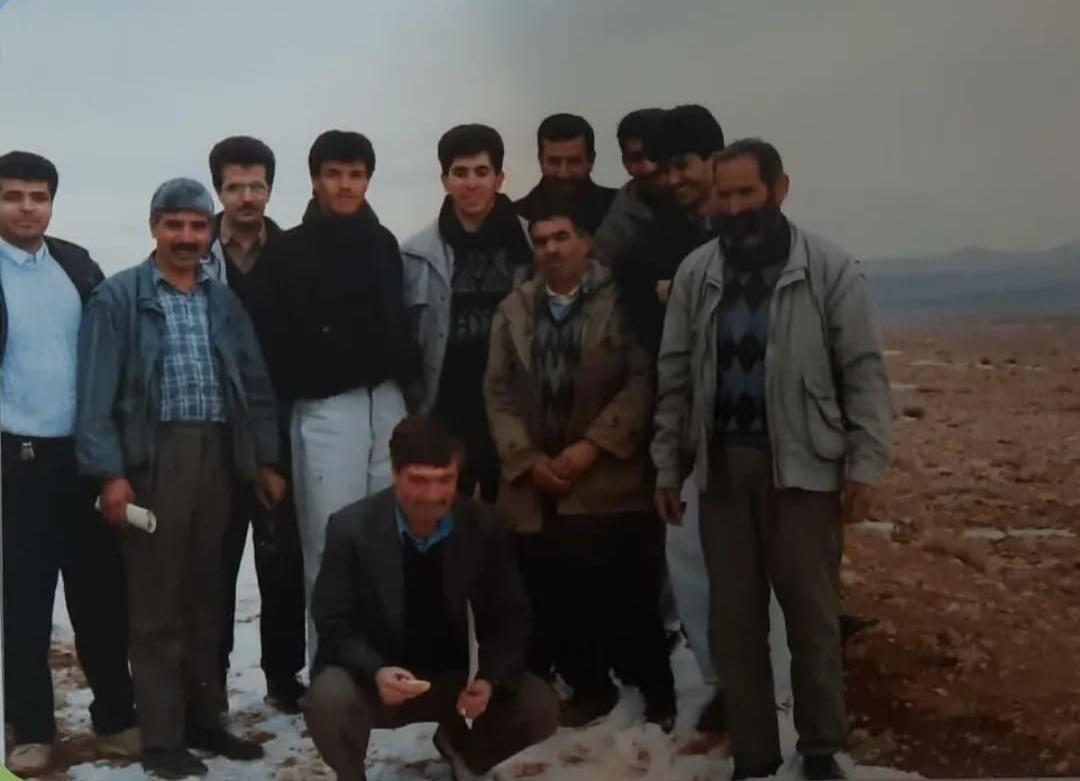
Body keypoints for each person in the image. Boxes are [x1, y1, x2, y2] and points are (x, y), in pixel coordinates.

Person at [651, 139, 893, 780]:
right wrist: (668, 466)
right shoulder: (697, 273)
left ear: (779, 189)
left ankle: (820, 749)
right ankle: (753, 755)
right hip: (723, 472)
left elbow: (863, 372)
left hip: (805, 470)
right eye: (724, 195)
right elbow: (674, 378)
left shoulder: (828, 269)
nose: (734, 208)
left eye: (747, 193)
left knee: (811, 618)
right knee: (734, 623)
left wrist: (866, 464)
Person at [76, 177, 286, 778]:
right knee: (155, 603)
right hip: (153, 461)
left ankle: (205, 719)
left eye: (197, 226)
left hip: (218, 457)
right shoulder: (119, 298)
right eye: (175, 225)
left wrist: (266, 461)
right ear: (154, 228)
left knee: (206, 596)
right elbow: (94, 396)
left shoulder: (222, 301)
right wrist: (110, 474)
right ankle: (163, 736)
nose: (187, 237)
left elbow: (255, 385)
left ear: (209, 231)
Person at [484, 204, 677, 732]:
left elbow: (642, 380)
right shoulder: (514, 309)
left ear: (586, 242)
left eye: (562, 237)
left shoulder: (621, 303)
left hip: (607, 473)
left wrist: (591, 447)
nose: (551, 249)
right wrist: (527, 459)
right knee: (549, 591)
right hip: (536, 477)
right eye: (541, 240)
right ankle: (588, 686)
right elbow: (496, 391)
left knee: (629, 589)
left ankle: (657, 694)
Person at [303, 414, 559, 781]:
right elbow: (331, 620)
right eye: (419, 480)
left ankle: (466, 754)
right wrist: (376, 671)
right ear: (394, 474)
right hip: (373, 681)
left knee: (539, 706)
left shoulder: (482, 524)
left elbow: (510, 614)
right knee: (328, 700)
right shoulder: (350, 528)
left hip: (451, 682)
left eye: (445, 480)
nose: (432, 495)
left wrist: (490, 679)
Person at [251, 130, 421, 669]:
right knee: (330, 544)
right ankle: (333, 671)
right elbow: (272, 348)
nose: (345, 185)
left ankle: (385, 667)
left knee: (389, 539)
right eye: (334, 174)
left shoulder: (384, 244)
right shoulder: (288, 252)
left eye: (356, 174)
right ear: (315, 181)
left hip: (386, 403)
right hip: (326, 410)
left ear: (368, 180)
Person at [0, 151, 139, 776]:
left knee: (102, 596)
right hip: (16, 459)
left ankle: (116, 718)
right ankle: (31, 730)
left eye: (38, 196)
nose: (27, 207)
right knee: (25, 603)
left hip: (82, 458)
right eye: (13, 196)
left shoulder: (76, 265)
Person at [204, 135, 307, 714]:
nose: (247, 197)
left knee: (282, 560)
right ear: (218, 190)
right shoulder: (196, 253)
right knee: (215, 564)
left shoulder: (293, 254)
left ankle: (283, 676)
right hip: (214, 430)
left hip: (279, 426)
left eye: (257, 186)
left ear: (270, 188)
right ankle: (211, 679)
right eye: (235, 186)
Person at [401, 124, 533, 501]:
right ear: (445, 180)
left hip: (515, 403)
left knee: (513, 516)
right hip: (447, 404)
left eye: (481, 172)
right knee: (447, 512)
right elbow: (408, 336)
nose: (471, 184)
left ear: (499, 178)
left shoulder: (532, 244)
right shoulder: (417, 254)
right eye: (460, 173)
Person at [513, 113, 617, 235]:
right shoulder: (515, 219)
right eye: (554, 162)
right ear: (540, 161)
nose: (563, 173)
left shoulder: (620, 210)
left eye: (574, 161)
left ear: (591, 160)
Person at [592, 107, 670, 263]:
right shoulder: (616, 225)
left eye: (656, 154)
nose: (649, 167)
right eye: (637, 157)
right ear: (625, 163)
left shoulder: (708, 197)